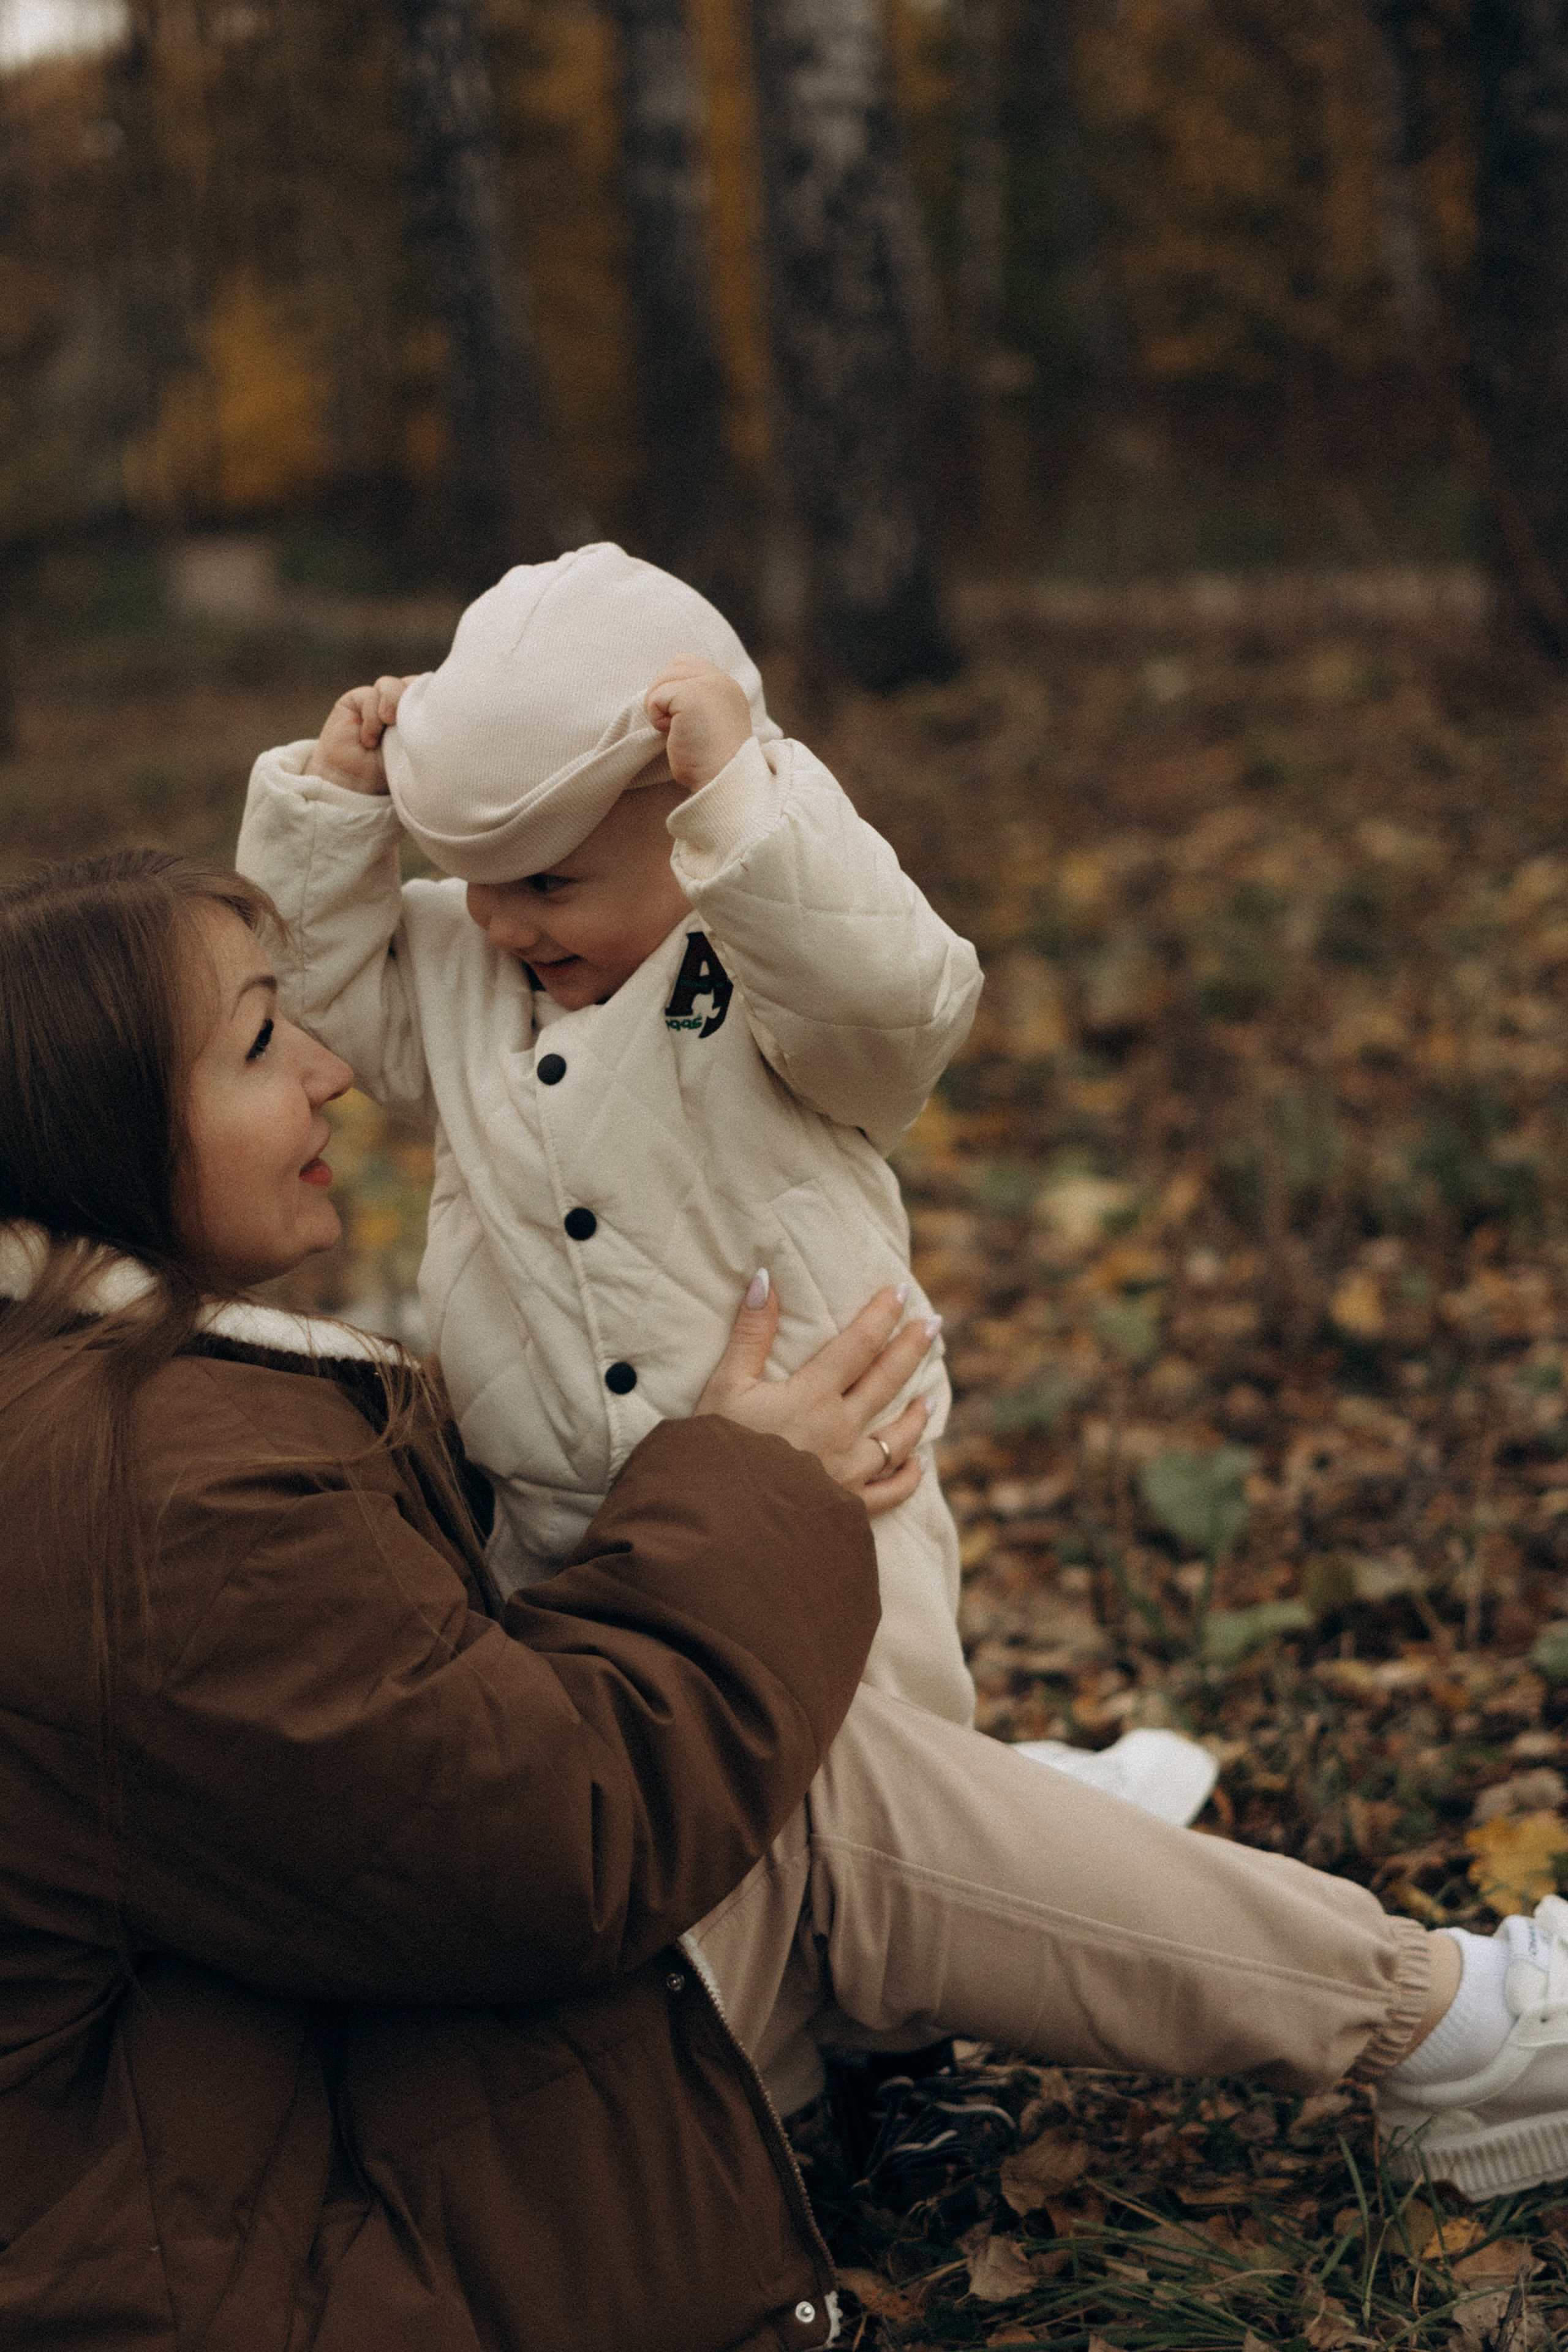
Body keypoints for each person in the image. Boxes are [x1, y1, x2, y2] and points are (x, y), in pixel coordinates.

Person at [2, 854, 1562, 2352]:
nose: (330, 1070)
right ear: (98, 1134)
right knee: (798, 1792)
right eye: (265, 1038)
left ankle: (1379, 1998)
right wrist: (743, 1488)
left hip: (257, 2120)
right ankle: (1456, 2034)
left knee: (776, 1760)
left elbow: (398, 1749)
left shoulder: (81, 1418)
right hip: (280, 2267)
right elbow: (556, 1839)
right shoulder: (139, 1491)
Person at [234, 541, 1216, 1828]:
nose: (502, 924)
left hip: (826, 1476)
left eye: (547, 883)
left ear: (685, 823)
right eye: (471, 883)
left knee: (878, 1766)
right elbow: (313, 1015)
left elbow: (891, 1007)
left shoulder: (764, 956)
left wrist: (748, 807)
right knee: (658, 1789)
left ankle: (949, 1942)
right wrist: (330, 809)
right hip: (554, 1513)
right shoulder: (465, 971)